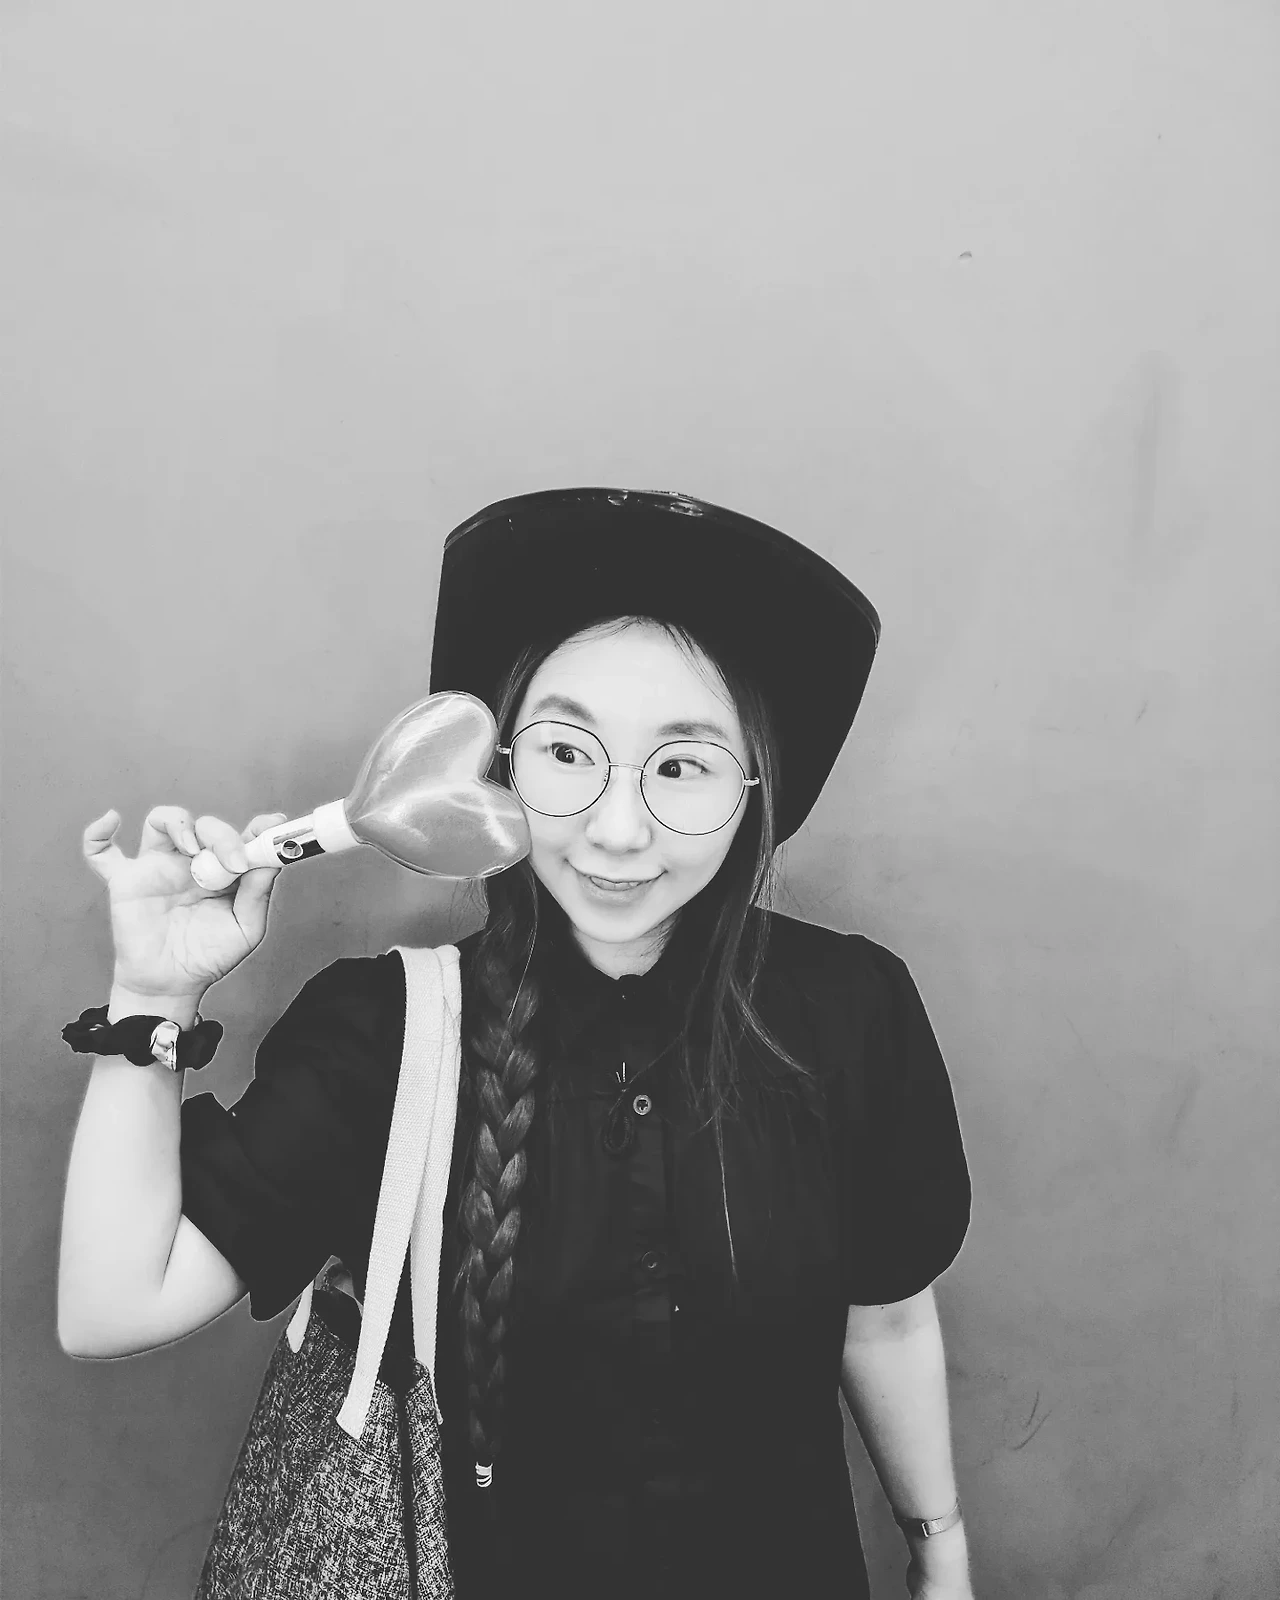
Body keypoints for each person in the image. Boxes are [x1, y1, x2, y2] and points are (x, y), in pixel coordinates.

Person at [57, 488, 974, 1599]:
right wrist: (152, 992)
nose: (618, 830)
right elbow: (111, 1307)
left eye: (681, 766)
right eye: (567, 753)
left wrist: (939, 1547)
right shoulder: (383, 1035)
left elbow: (885, 1317)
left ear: (752, 790)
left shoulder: (849, 1011)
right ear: (496, 767)